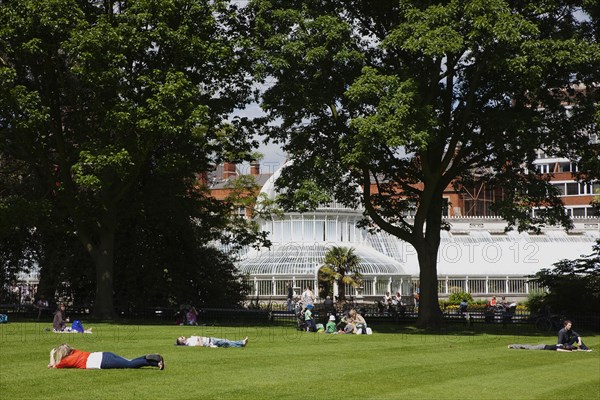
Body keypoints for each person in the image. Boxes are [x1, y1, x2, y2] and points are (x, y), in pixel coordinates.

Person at [48, 343, 164, 370]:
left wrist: (51, 354)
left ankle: (151, 361)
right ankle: (155, 360)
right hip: (104, 354)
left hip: (102, 362)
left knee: (130, 365)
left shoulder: (67, 361)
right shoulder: (75, 352)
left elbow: (53, 366)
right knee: (129, 361)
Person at [176, 335, 248, 348]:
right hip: (210, 342)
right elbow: (200, 345)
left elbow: (199, 338)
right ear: (182, 342)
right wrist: (199, 338)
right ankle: (242, 342)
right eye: (181, 338)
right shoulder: (190, 344)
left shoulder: (189, 338)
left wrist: (199, 338)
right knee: (226, 342)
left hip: (210, 339)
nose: (183, 336)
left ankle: (241, 344)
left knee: (227, 343)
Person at [508, 344, 575, 351]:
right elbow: (560, 350)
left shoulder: (560, 345)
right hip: (541, 347)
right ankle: (512, 346)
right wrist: (569, 351)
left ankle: (513, 345)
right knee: (527, 347)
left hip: (543, 345)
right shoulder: (558, 348)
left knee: (528, 346)